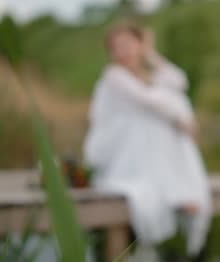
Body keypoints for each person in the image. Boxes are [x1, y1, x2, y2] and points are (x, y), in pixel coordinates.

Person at [83, 23, 211, 261]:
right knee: (162, 114)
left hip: (144, 144)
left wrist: (151, 54)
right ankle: (172, 189)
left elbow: (179, 81)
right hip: (118, 146)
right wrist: (181, 120)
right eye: (116, 47)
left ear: (140, 44)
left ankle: (175, 187)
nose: (122, 51)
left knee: (174, 99)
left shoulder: (148, 74)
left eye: (128, 44)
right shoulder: (114, 76)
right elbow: (146, 100)